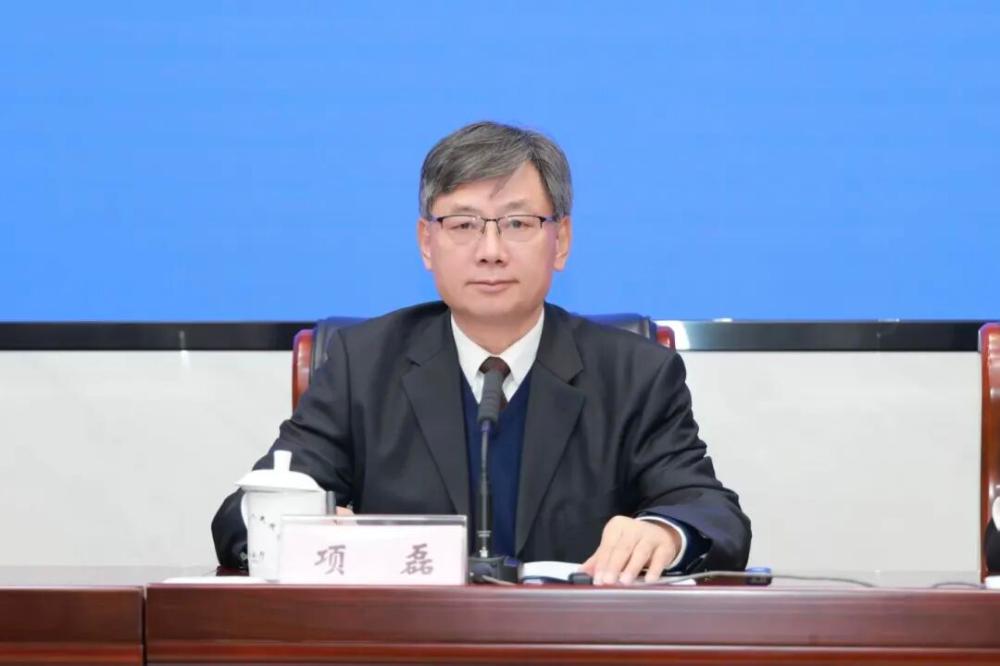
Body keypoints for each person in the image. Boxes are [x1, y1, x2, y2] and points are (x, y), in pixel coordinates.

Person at [212, 121, 751, 584]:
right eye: (463, 225)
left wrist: (663, 533)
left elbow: (712, 514)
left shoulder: (635, 374)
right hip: (406, 649)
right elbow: (241, 516)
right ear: (427, 242)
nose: (490, 251)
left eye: (517, 223)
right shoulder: (362, 365)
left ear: (561, 241)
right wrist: (304, 527)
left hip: (574, 648)